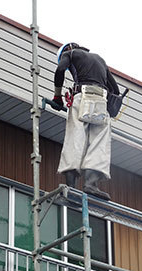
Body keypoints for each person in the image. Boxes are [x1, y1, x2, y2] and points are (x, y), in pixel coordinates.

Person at [52, 42, 120, 200]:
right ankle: (91, 185)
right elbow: (115, 89)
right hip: (101, 101)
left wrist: (57, 96)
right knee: (99, 143)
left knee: (74, 139)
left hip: (81, 96)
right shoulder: (100, 60)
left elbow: (60, 69)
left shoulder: (70, 53)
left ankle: (70, 186)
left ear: (68, 49)